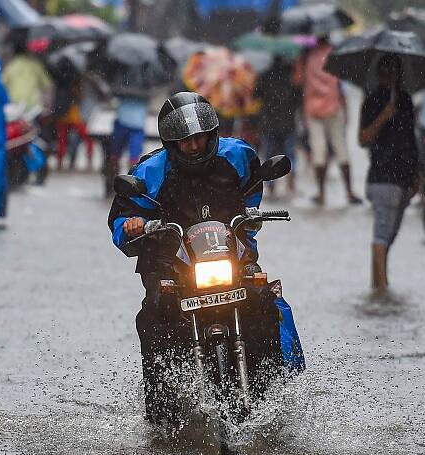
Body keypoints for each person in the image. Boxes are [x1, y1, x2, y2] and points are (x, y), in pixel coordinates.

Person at [107, 92, 304, 422]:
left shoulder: (238, 154)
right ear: (172, 144)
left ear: (212, 134)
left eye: (200, 138)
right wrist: (131, 226)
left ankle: (270, 396)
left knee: (263, 302)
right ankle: (162, 416)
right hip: (171, 261)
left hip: (228, 254)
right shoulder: (150, 170)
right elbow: (120, 217)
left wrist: (248, 221)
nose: (194, 146)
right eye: (186, 142)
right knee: (155, 315)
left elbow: (253, 187)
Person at [359, 54, 418, 291]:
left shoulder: (406, 101)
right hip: (382, 177)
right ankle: (382, 288)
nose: (389, 75)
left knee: (390, 234)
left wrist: (417, 173)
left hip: (404, 178)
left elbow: (411, 139)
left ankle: (377, 280)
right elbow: (363, 139)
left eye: (394, 71)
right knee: (382, 234)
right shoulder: (372, 101)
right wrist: (383, 116)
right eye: (385, 70)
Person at [299, 35, 361, 205]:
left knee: (319, 152)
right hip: (334, 106)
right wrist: (346, 108)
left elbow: (298, 80)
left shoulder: (307, 56)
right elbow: (341, 83)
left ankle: (321, 193)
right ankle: (349, 192)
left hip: (313, 109)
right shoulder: (335, 54)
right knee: (341, 149)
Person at [255, 55, 301, 194]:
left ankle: (271, 185)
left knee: (269, 154)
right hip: (288, 122)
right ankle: (291, 183)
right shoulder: (291, 78)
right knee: (290, 154)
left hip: (268, 122)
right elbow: (298, 99)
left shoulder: (264, 76)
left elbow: (256, 96)